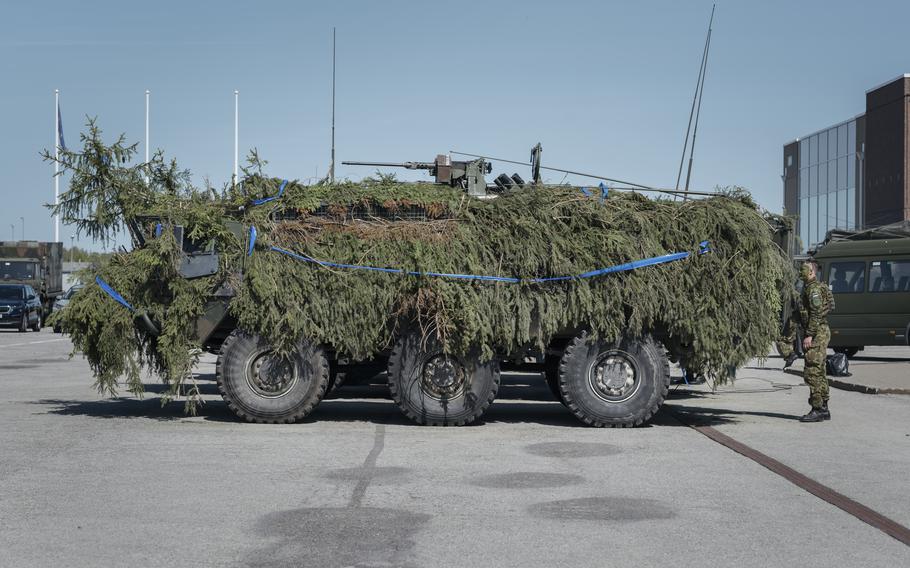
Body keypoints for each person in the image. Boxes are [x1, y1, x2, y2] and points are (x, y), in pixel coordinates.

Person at [798, 260, 834, 422]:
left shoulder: (813, 290)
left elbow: (816, 313)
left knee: (812, 370)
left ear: (812, 271)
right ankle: (824, 408)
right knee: (820, 370)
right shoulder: (809, 287)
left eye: (805, 268)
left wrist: (809, 334)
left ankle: (817, 408)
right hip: (820, 331)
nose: (801, 271)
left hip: (817, 333)